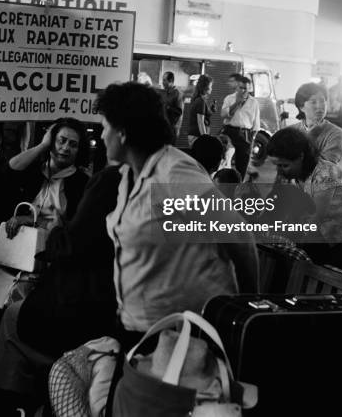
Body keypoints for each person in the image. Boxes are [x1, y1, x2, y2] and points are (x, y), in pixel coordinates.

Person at [96, 82, 257, 340]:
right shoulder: (129, 176)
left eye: (105, 128)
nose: (102, 136)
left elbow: (239, 236)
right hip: (141, 327)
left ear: (123, 133)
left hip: (182, 334)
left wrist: (247, 308)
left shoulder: (174, 172)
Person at [0, 164, 120, 403]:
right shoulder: (192, 180)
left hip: (103, 318)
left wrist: (55, 233)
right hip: (150, 321)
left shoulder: (114, 179)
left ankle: (9, 405)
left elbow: (74, 244)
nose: (105, 134)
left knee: (14, 317)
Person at [266, 127, 342, 280]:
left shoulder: (326, 174)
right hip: (324, 239)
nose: (280, 171)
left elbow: (315, 220)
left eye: (284, 165)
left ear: (301, 157)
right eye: (277, 165)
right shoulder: (292, 175)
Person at [4, 118, 90, 234]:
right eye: (61, 141)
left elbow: (75, 228)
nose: (65, 148)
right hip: (21, 241)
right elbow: (11, 168)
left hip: (55, 247)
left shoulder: (83, 183)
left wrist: (30, 219)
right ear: (51, 141)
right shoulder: (34, 170)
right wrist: (43, 145)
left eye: (73, 145)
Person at [292, 82, 342, 163]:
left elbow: (326, 167)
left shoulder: (336, 133)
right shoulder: (291, 131)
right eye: (313, 102)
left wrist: (311, 137)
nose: (320, 106)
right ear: (301, 107)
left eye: (323, 101)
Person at [220, 75, 260, 179]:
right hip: (230, 132)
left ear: (249, 88)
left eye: (245, 88)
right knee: (225, 161)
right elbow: (223, 115)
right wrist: (237, 102)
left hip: (245, 135)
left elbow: (256, 125)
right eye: (240, 88)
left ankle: (239, 186)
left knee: (242, 165)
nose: (243, 90)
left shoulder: (254, 102)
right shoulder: (229, 98)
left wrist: (252, 141)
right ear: (237, 87)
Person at [187, 74, 214, 146]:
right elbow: (200, 122)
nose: (212, 89)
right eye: (211, 86)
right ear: (206, 87)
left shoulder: (197, 99)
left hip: (194, 135)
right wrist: (205, 139)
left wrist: (210, 111)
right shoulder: (200, 101)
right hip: (197, 136)